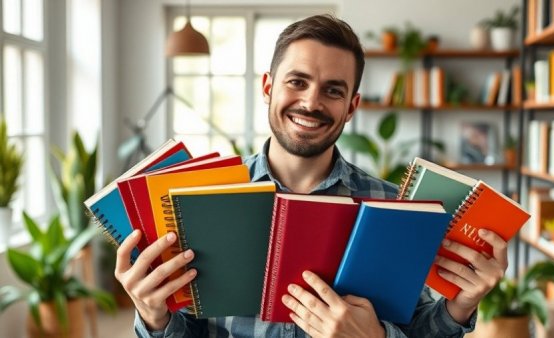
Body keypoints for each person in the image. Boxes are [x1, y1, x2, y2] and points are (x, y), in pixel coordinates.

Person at [116, 14, 508, 338]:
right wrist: (155, 317)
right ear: (268, 87)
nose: (311, 102)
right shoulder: (199, 201)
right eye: (297, 81)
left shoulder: (398, 208)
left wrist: (459, 307)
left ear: (352, 106)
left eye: (332, 90)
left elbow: (420, 329)